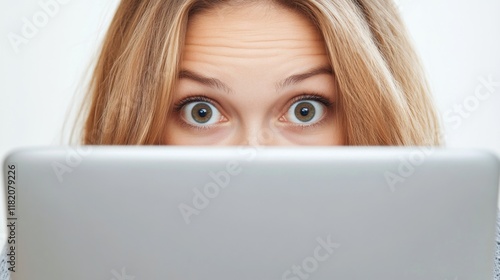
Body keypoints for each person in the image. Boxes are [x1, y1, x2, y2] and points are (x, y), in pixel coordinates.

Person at [74, 0, 498, 277]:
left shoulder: (477, 259)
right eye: (200, 112)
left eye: (305, 110)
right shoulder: (46, 256)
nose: (252, 158)